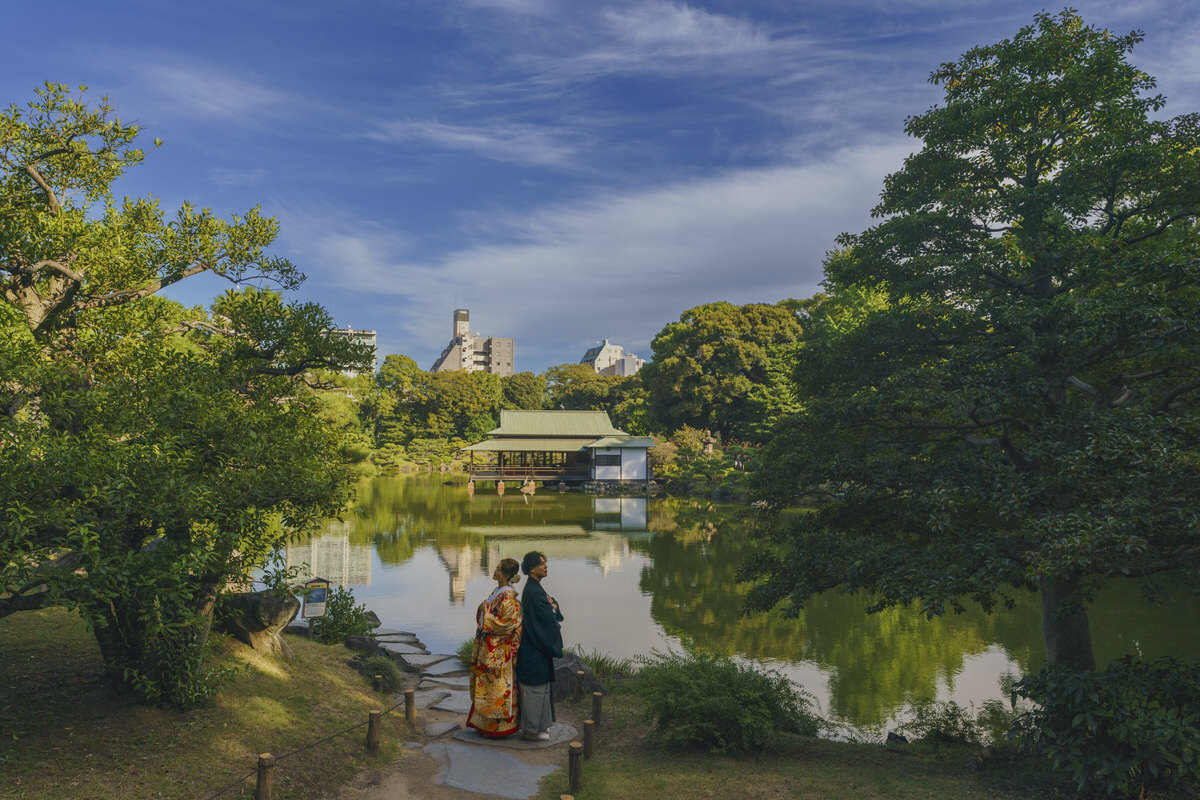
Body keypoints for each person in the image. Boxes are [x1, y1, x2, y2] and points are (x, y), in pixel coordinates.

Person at [466, 557, 523, 737]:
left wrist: (488, 616)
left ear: (506, 575)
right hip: (489, 646)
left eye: (498, 569)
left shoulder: (508, 598)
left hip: (499, 650)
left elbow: (506, 625)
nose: (495, 571)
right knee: (488, 686)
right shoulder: (498, 592)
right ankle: (485, 723)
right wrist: (483, 609)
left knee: (498, 687)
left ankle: (500, 727)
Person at [515, 550, 563, 741]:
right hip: (534, 647)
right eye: (542, 563)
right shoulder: (533, 591)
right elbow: (547, 619)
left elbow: (551, 610)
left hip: (538, 648)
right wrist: (553, 611)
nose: (546, 566)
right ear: (532, 569)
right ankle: (530, 730)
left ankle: (541, 727)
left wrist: (554, 609)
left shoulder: (535, 588)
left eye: (545, 563)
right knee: (534, 690)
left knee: (542, 689)